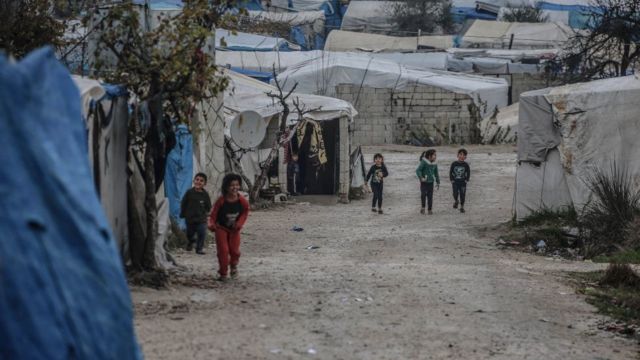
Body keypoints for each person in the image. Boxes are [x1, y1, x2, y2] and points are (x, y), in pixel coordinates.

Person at [208, 173, 250, 281]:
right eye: (232, 185)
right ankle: (223, 273)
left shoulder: (242, 201)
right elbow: (213, 215)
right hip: (221, 228)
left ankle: (234, 266)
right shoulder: (220, 201)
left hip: (234, 230)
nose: (234, 187)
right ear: (226, 187)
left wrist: (239, 223)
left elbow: (245, 213)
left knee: (235, 251)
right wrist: (211, 224)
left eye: (237, 185)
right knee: (223, 251)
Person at [180, 172, 212, 254]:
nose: (198, 182)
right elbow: (184, 203)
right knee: (189, 233)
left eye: (201, 181)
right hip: (190, 218)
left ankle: (199, 249)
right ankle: (191, 242)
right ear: (194, 181)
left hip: (201, 219)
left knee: (202, 233)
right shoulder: (189, 192)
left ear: (204, 184)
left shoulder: (205, 194)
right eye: (197, 180)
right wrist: (183, 213)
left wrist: (207, 211)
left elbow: (208, 205)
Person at [416, 149, 440, 215]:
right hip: (424, 182)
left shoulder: (435, 163)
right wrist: (421, 177)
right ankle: (423, 208)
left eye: (436, 155)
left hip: (431, 182)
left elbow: (436, 173)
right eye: (434, 155)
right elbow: (418, 170)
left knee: (430, 196)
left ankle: (430, 209)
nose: (435, 156)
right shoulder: (424, 162)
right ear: (429, 156)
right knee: (423, 195)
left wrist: (438, 182)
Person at [450, 148, 471, 213]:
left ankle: (462, 207)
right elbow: (450, 172)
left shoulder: (466, 165)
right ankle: (456, 201)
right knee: (455, 193)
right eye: (460, 154)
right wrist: (451, 179)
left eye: (464, 155)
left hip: (463, 182)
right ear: (457, 155)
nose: (462, 156)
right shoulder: (454, 163)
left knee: (462, 194)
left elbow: (468, 172)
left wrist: (467, 180)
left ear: (465, 157)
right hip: (455, 182)